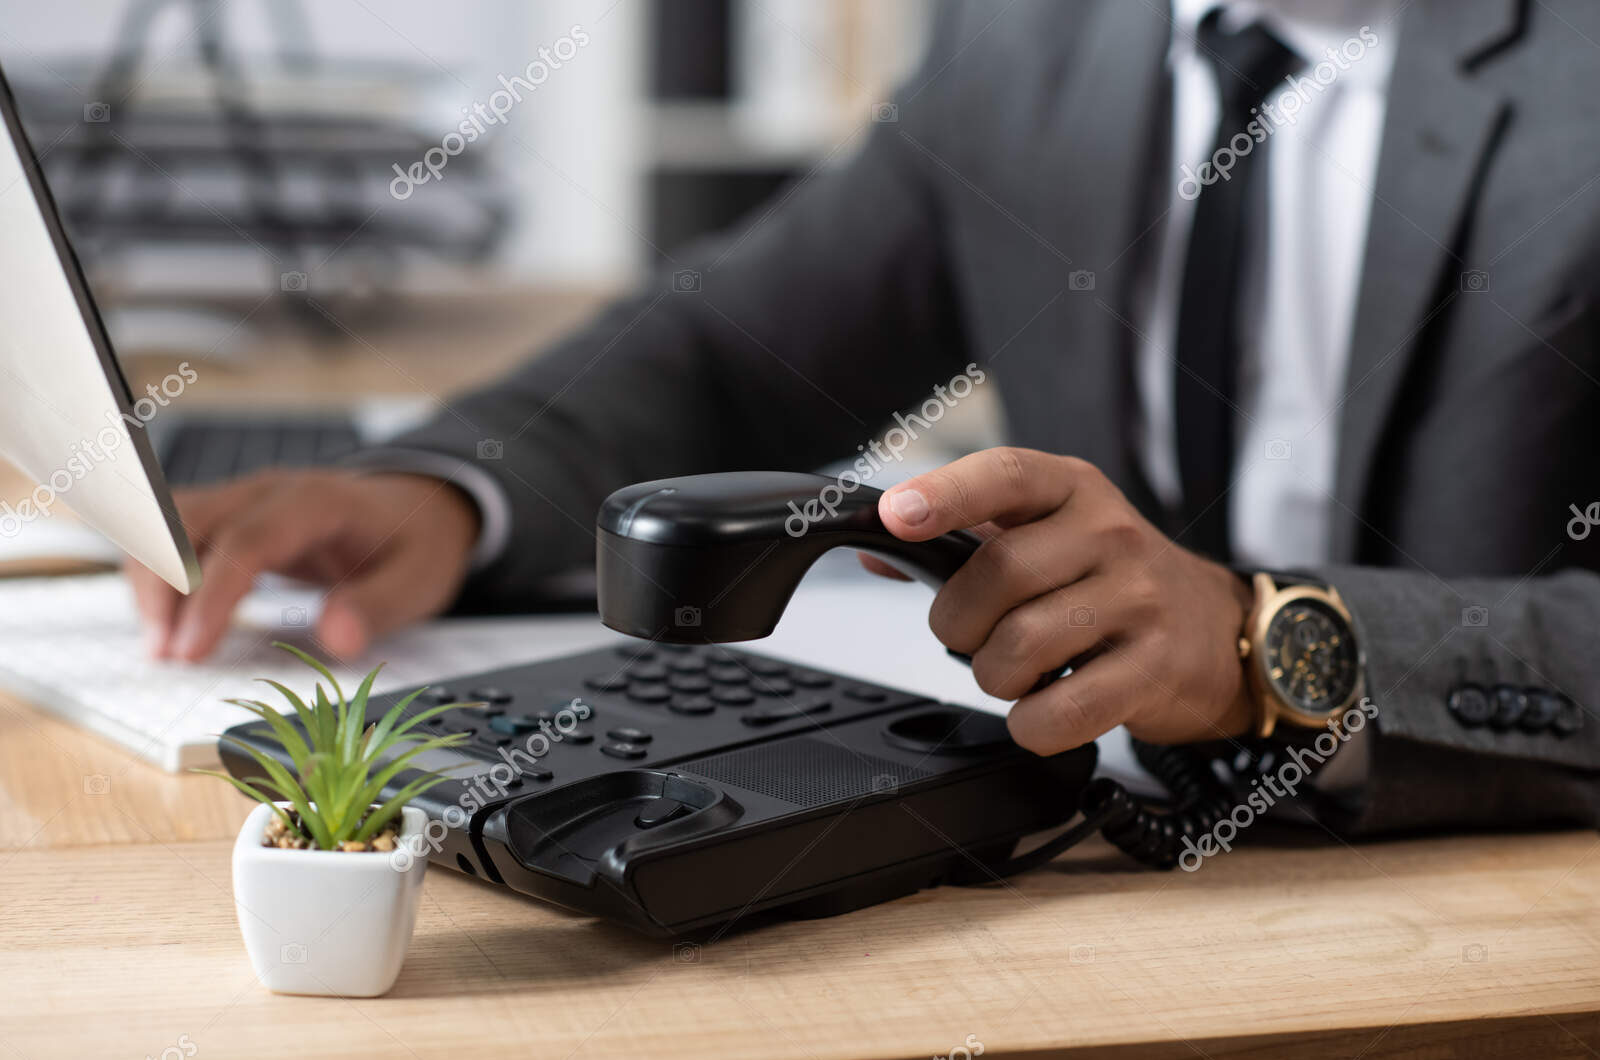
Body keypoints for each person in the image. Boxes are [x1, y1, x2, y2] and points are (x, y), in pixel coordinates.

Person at [127, 0, 1600, 836]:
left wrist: (1255, 651)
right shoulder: (1031, 40)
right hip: (1095, 888)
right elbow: (731, 350)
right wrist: (451, 492)